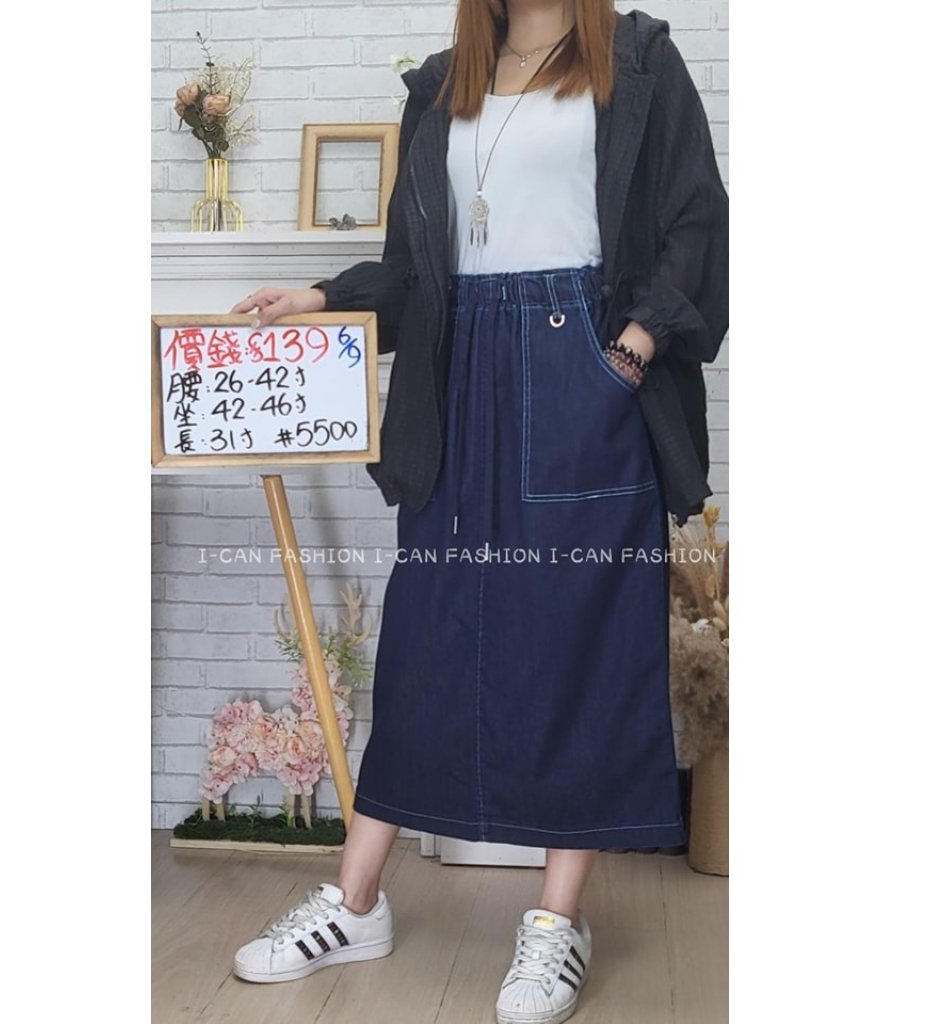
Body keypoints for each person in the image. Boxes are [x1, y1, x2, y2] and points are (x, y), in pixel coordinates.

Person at [228, 2, 728, 1021]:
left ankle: (555, 922)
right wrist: (324, 297)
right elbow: (417, 271)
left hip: (582, 365)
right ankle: (356, 901)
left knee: (580, 634)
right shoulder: (439, 83)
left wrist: (628, 352)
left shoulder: (636, 58)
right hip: (460, 375)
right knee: (430, 632)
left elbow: (693, 221)